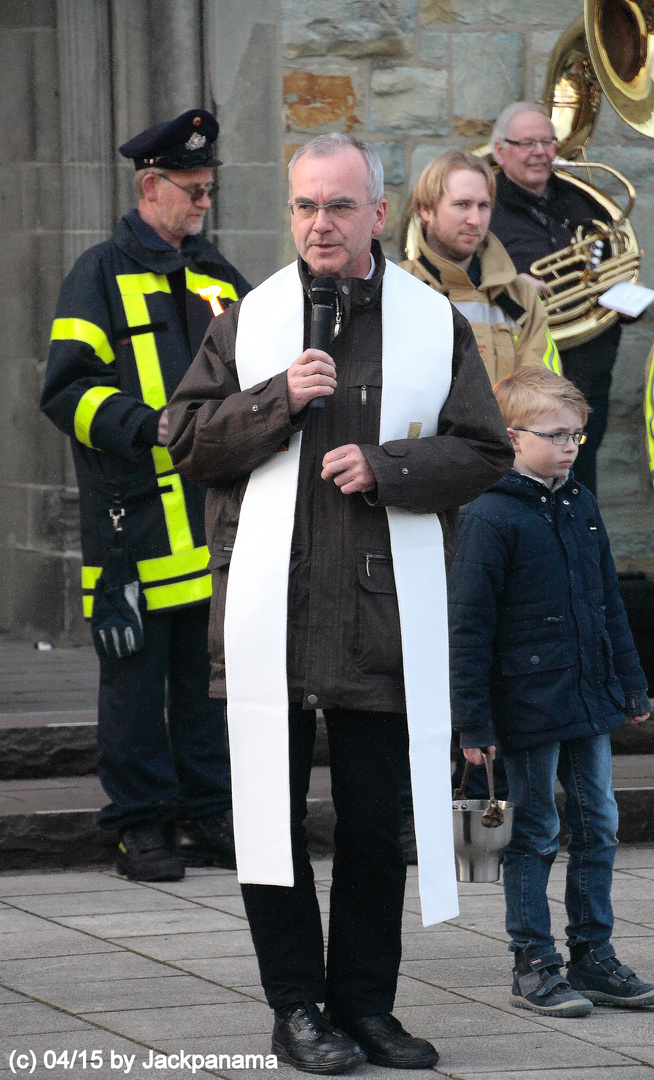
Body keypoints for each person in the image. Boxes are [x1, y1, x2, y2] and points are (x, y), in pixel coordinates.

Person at [167, 132, 514, 1074]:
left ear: (376, 210)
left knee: (372, 827)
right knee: (269, 825)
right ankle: (295, 1010)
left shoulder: (432, 321)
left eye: (340, 206)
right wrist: (277, 397)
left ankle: (365, 1006)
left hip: (379, 615)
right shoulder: (251, 320)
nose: (321, 223)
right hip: (268, 613)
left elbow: (485, 450)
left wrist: (388, 466)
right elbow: (185, 439)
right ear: (291, 211)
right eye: (305, 206)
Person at [40, 109, 251, 883]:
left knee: (203, 683)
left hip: (211, 523)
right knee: (133, 682)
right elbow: (65, 394)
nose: (204, 204)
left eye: (209, 190)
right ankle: (139, 824)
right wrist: (151, 425)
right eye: (193, 191)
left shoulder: (218, 275)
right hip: (133, 525)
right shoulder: (95, 274)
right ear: (149, 187)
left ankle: (205, 809)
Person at [448, 365, 654, 1017]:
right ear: (512, 437)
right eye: (556, 434)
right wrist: (474, 725)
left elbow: (608, 605)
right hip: (526, 710)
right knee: (535, 833)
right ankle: (533, 960)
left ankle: (593, 954)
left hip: (589, 700)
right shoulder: (488, 515)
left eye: (578, 435)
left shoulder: (580, 503)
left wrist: (632, 681)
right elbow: (468, 627)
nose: (570, 446)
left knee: (600, 826)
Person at [490, 101, 625, 495]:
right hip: (520, 386)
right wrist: (513, 288)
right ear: (500, 150)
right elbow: (467, 279)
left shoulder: (580, 201)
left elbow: (616, 258)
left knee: (582, 494)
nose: (541, 152)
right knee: (522, 496)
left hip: (588, 378)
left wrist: (616, 292)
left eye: (548, 142)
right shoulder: (486, 209)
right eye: (527, 143)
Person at [401, 149, 560, 384]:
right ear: (426, 210)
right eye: (462, 205)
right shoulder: (395, 290)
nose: (475, 220)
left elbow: (542, 393)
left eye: (483, 206)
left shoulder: (522, 297)